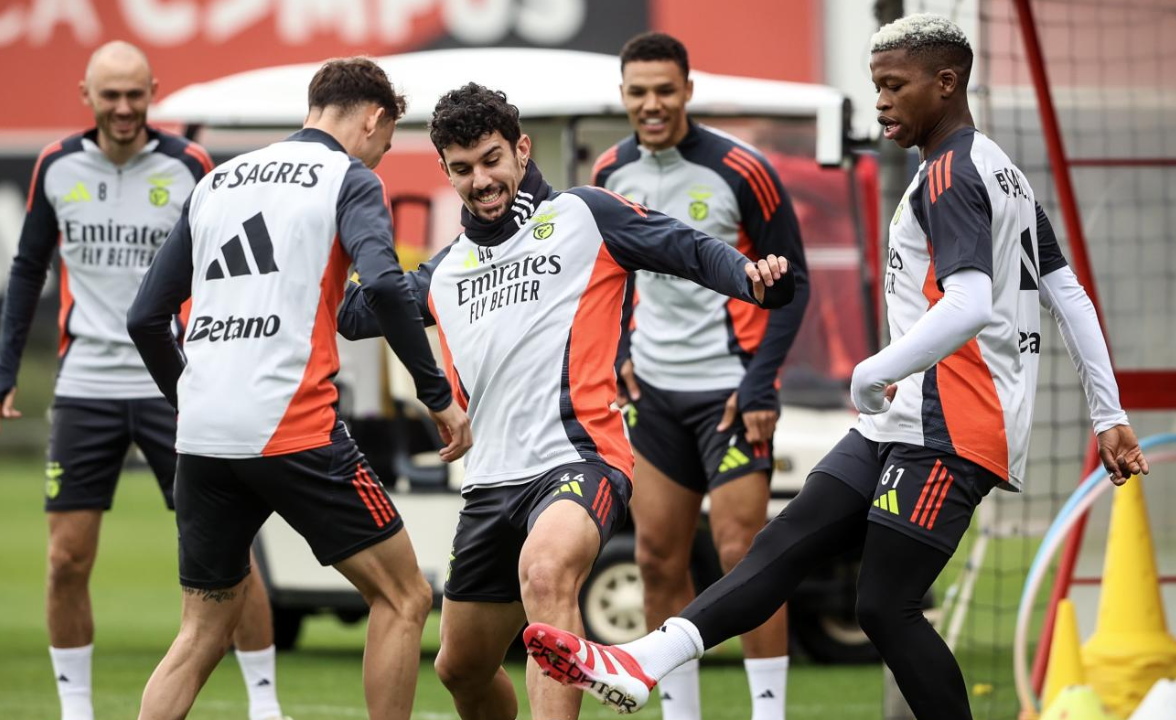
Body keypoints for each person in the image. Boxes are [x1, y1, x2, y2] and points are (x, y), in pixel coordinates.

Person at [525, 14, 1150, 720]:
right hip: (902, 417)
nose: (881, 101)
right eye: (875, 86)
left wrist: (870, 371)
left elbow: (971, 303)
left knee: (884, 605)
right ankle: (644, 662)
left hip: (952, 425)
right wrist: (1108, 414)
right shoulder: (994, 168)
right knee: (782, 543)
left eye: (895, 86)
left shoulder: (953, 173)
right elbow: (1069, 293)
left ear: (946, 84)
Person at [336, 82, 795, 720]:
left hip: (579, 461)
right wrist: (336, 226)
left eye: (492, 159)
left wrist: (749, 278)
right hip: (488, 486)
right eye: (463, 169)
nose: (481, 181)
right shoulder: (442, 271)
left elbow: (684, 246)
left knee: (547, 571)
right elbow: (354, 312)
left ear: (522, 150)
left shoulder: (584, 214)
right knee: (461, 669)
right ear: (445, 171)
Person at [125, 57, 471, 720]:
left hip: (203, 438)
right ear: (373, 118)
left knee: (200, 633)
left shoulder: (216, 181)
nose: (382, 152)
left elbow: (144, 318)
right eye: (387, 139)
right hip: (293, 430)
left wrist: (190, 401)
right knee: (404, 597)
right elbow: (385, 286)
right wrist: (437, 396)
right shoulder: (349, 178)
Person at [0, 41, 289, 720]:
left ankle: (266, 704)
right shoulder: (56, 165)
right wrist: (4, 368)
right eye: (110, 95)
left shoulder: (190, 166)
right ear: (85, 96)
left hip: (175, 386)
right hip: (84, 389)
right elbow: (28, 268)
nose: (123, 108)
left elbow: (230, 270)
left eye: (134, 94)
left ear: (153, 91)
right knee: (66, 560)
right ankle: (76, 710)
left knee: (229, 551)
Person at [592, 31, 810, 720]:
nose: (652, 104)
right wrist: (618, 353)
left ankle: (768, 714)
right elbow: (604, 278)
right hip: (652, 397)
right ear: (623, 96)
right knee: (657, 557)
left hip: (730, 394)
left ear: (688, 90)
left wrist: (761, 384)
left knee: (745, 554)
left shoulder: (742, 169)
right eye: (638, 92)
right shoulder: (608, 171)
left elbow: (793, 283)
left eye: (665, 90)